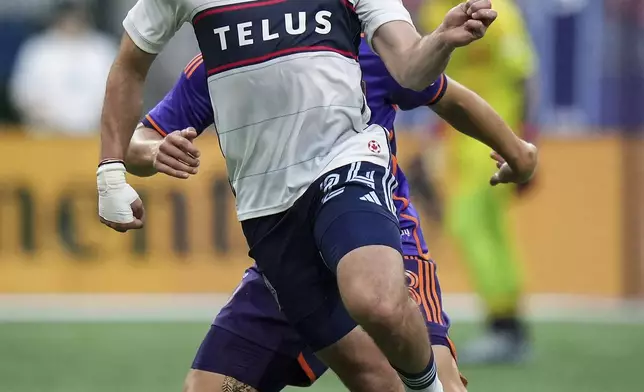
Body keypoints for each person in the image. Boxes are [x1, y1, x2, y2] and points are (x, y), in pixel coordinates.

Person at [98, 1, 530, 391]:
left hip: (375, 226)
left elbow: (446, 95)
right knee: (209, 388)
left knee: (393, 342)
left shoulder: (372, 52)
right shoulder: (215, 63)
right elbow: (139, 140)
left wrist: (519, 152)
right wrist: (152, 152)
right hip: (281, 234)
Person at [419, 0, 537, 363]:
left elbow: (525, 75)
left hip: (497, 139)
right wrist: (435, 140)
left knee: (469, 225)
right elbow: (433, 79)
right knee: (489, 230)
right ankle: (509, 326)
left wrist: (525, 140)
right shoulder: (433, 12)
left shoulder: (498, 11)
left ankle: (504, 325)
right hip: (459, 142)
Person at [9, 0, 116, 135]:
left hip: (96, 136)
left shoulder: (103, 48)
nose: (72, 21)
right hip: (47, 136)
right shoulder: (37, 49)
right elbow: (22, 94)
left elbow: (118, 92)